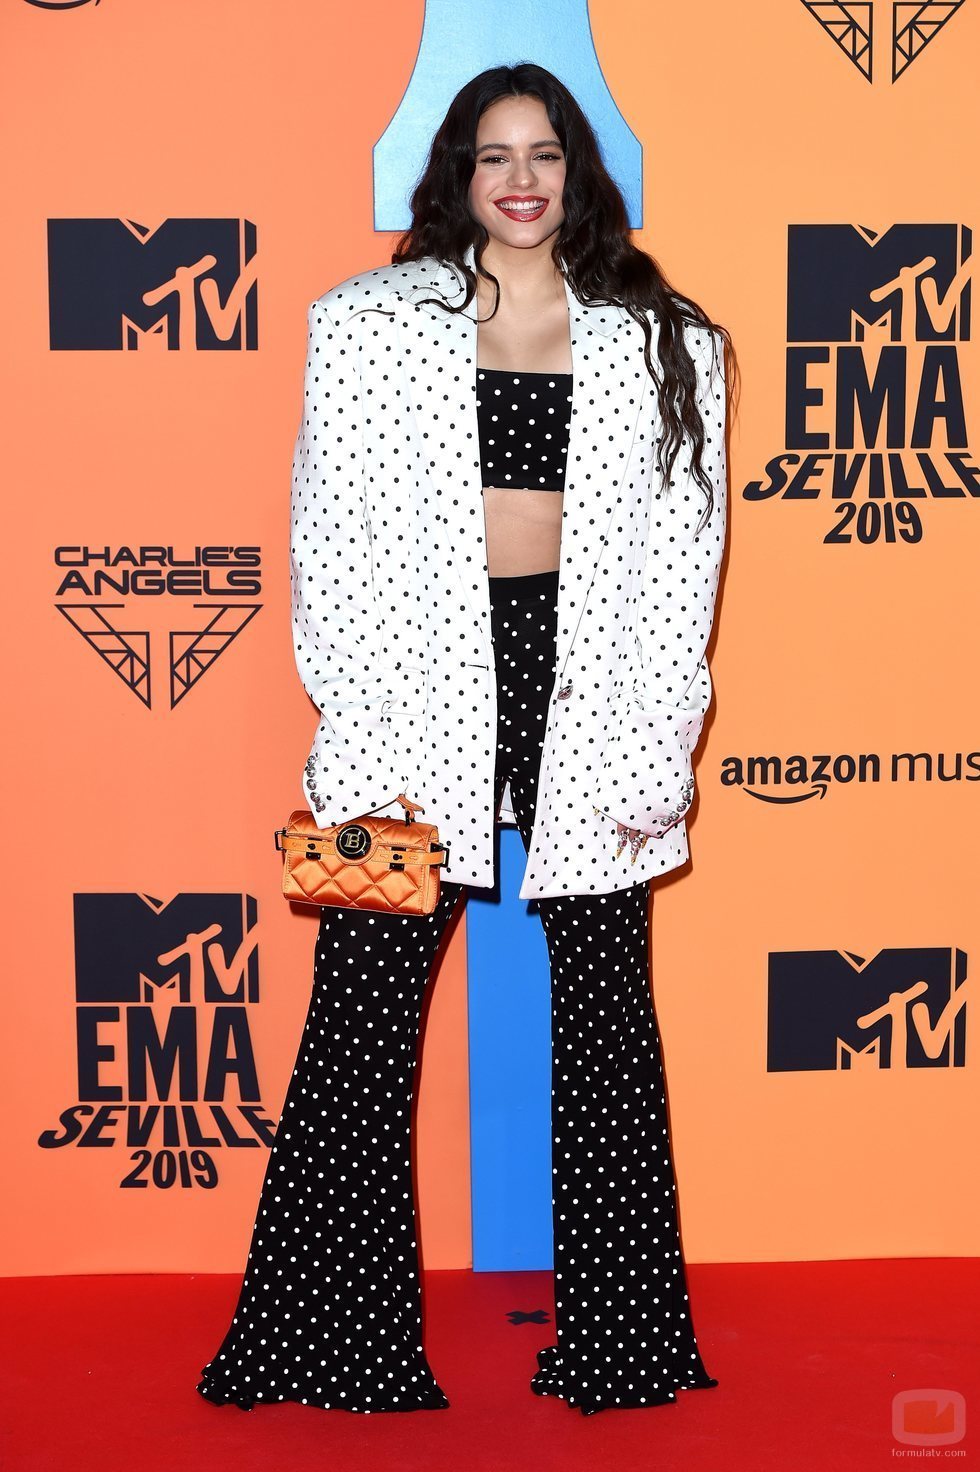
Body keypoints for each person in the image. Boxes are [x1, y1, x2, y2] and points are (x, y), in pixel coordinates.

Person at [197, 61, 734, 1417]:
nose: (520, 178)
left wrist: (658, 740)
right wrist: (355, 731)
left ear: (579, 172)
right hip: (409, 695)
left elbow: (688, 561)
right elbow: (329, 545)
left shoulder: (666, 337)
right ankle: (331, 1345)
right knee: (364, 1018)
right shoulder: (368, 324)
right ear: (454, 171)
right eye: (493, 153)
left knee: (608, 1028)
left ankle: (624, 1347)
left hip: (592, 689)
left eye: (544, 152)